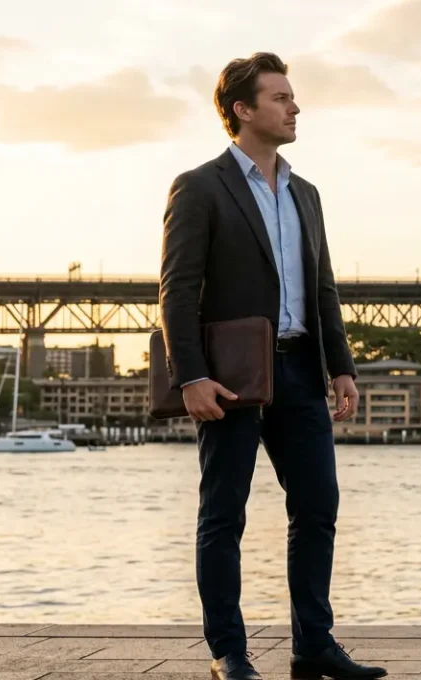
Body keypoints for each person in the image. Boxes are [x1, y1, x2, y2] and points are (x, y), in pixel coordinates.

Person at [159, 52, 387, 680]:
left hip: (300, 372)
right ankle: (228, 652)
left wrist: (340, 365)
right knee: (223, 514)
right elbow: (177, 290)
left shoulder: (306, 193)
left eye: (293, 97)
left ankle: (313, 644)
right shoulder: (200, 186)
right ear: (242, 109)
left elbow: (323, 287)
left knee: (318, 506)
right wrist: (191, 375)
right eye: (281, 97)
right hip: (232, 375)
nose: (294, 107)